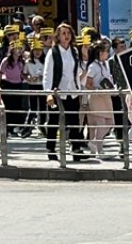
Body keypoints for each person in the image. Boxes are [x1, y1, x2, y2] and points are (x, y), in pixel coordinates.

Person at [43, 23, 91, 161]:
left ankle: (75, 148)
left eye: (68, 33)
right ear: (58, 36)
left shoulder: (74, 51)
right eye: (63, 33)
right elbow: (48, 74)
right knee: (53, 121)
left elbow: (76, 72)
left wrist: (80, 83)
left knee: (74, 121)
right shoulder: (54, 52)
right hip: (58, 91)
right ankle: (51, 148)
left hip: (72, 91)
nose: (66, 36)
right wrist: (48, 93)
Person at [84, 41, 116, 156]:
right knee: (101, 122)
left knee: (110, 122)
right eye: (105, 51)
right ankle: (99, 149)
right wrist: (96, 89)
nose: (107, 53)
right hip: (97, 96)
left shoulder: (106, 64)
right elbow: (88, 84)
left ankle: (94, 143)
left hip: (106, 95)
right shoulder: (93, 66)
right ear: (100, 53)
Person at [0, 41, 28, 136]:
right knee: (8, 107)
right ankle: (7, 128)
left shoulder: (21, 61)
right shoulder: (6, 60)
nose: (19, 51)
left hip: (18, 85)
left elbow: (22, 73)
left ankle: (15, 127)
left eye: (21, 49)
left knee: (17, 107)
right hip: (7, 84)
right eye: (17, 49)